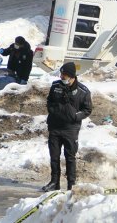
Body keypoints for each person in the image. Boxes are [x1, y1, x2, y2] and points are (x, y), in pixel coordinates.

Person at [43, 62, 92, 192]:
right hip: (55, 126)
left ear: (71, 76)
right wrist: (53, 110)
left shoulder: (83, 91)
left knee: (70, 157)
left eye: (64, 75)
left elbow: (87, 110)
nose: (61, 77)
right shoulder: (55, 86)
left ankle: (71, 184)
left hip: (70, 129)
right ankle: (54, 182)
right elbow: (49, 101)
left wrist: (76, 116)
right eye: (61, 74)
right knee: (54, 156)